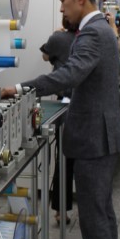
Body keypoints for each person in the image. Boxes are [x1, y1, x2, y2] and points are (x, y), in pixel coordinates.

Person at [1, 0, 120, 239]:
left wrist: (21, 88)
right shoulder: (100, 29)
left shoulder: (93, 32)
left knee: (96, 219)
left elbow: (69, 74)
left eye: (63, 0)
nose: (60, 8)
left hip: (95, 140)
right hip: (99, 135)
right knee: (102, 216)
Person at [39, 18, 77, 223]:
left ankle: (61, 211)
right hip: (86, 103)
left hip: (65, 103)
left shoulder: (58, 38)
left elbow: (46, 56)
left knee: (64, 158)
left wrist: (56, 35)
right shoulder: (89, 38)